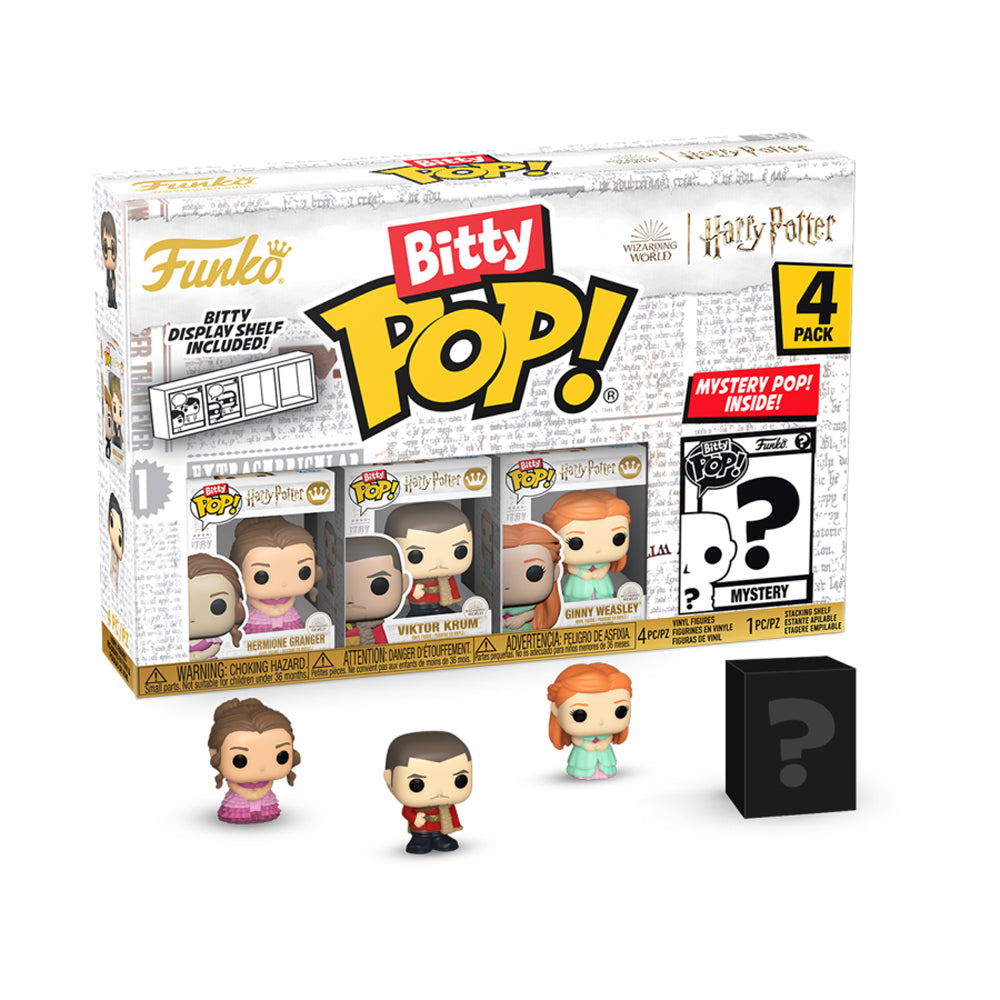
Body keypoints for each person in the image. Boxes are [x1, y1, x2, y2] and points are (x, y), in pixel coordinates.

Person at [208, 698, 299, 824]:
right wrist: (248, 794)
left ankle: (263, 814)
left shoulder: (266, 778)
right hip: (240, 800)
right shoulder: (236, 780)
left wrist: (261, 792)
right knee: (241, 811)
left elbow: (269, 783)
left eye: (281, 756)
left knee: (264, 811)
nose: (261, 767)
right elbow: (233, 785)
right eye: (240, 760)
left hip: (264, 797)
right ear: (214, 753)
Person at [383, 731, 472, 853]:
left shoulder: (446, 805)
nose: (439, 791)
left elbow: (451, 813)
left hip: (439, 828)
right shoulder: (415, 804)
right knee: (421, 841)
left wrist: (450, 824)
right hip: (421, 829)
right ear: (390, 779)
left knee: (440, 837)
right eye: (417, 784)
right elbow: (406, 811)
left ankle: (440, 838)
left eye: (460, 780)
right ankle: (419, 840)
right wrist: (414, 817)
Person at [548, 662, 632, 779]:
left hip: (603, 752)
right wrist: (586, 744)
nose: (601, 722)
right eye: (579, 715)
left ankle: (606, 771)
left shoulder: (606, 733)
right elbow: (576, 739)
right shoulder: (579, 735)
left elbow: (609, 737)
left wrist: (605, 742)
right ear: (556, 709)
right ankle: (581, 773)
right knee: (583, 765)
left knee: (606, 763)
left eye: (620, 711)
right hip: (584, 754)